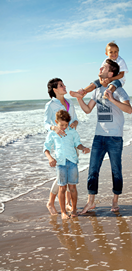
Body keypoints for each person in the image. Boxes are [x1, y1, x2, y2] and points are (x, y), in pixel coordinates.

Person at [76, 59, 132, 214]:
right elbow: (88, 110)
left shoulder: (118, 89)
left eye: (104, 67)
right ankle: (90, 202)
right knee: (93, 170)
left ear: (111, 73)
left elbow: (129, 109)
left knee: (116, 170)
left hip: (115, 137)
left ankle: (115, 201)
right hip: (98, 137)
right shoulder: (96, 90)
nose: (100, 68)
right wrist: (79, 98)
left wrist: (112, 99)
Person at [44, 110, 90, 219]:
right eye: (62, 125)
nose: (64, 127)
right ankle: (63, 212)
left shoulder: (72, 132)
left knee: (72, 187)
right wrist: (50, 158)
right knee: (62, 188)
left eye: (66, 124)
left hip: (72, 162)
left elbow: (77, 144)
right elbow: (46, 148)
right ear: (56, 122)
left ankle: (74, 210)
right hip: (60, 163)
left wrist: (83, 148)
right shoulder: (52, 133)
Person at [44, 78, 79, 215]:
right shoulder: (50, 105)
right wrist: (54, 128)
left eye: (63, 84)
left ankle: (68, 203)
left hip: (71, 140)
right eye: (61, 85)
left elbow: (75, 119)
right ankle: (50, 202)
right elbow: (45, 123)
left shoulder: (70, 102)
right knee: (61, 175)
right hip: (58, 141)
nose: (64, 87)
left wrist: (75, 123)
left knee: (69, 173)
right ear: (54, 90)